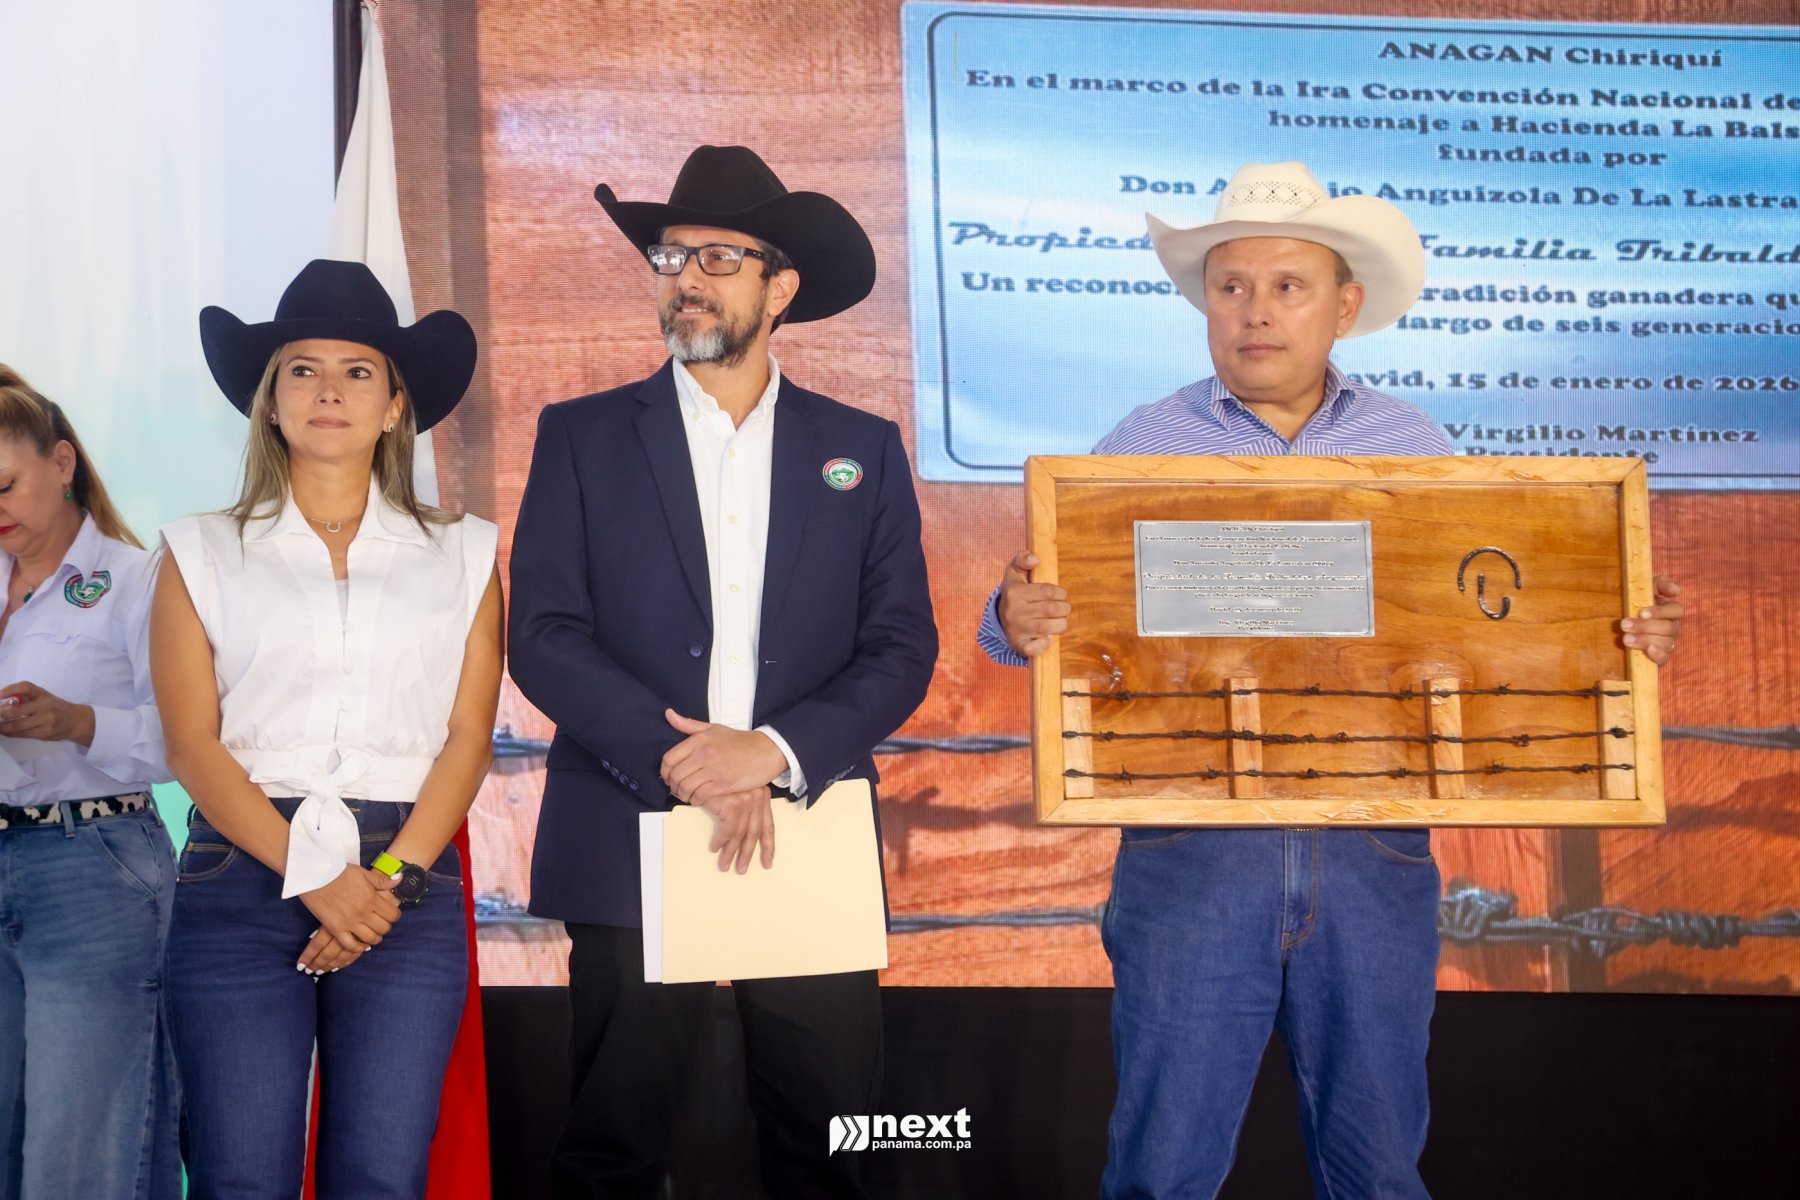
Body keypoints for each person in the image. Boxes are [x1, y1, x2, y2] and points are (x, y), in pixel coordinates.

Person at [978, 161, 1687, 1199]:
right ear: (1205, 304)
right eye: (1231, 287)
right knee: (1162, 1166)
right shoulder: (1138, 445)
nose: (1255, 312)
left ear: (1344, 307)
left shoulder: (1414, 446)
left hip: (1373, 853)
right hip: (1191, 853)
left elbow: (1489, 621)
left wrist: (1621, 633)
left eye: (1287, 286)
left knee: (1378, 1163)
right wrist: (1012, 621)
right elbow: (1035, 626)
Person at [510, 144, 938, 1199]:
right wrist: (690, 763)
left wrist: (772, 753)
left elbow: (901, 646)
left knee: (837, 1151)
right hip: (632, 829)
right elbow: (546, 634)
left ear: (779, 288)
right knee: (611, 1149)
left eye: (716, 258)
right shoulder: (582, 436)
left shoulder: (864, 447)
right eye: (670, 257)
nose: (685, 279)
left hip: (809, 826)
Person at [151, 260, 503, 1199]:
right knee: (238, 1177)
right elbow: (191, 745)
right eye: (302, 370)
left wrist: (385, 884)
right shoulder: (198, 549)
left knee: (380, 1178)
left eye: (358, 372)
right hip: (240, 868)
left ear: (395, 405)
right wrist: (317, 879)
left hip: (404, 878)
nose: (329, 392)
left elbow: (469, 736)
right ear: (270, 403)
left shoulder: (464, 551)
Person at [0, 365, 179, 1200]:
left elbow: (187, 744)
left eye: (5, 484)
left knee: (77, 1152)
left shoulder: (141, 580)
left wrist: (77, 722)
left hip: (94, 866)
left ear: (62, 462)